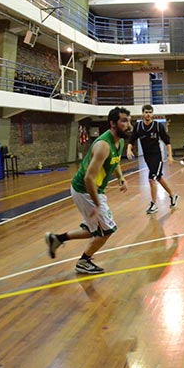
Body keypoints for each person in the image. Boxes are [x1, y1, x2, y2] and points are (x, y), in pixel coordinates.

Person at [45, 106, 132, 274]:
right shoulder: (103, 145)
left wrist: (121, 177)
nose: (129, 125)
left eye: (129, 121)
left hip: (93, 190)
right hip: (85, 190)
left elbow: (115, 162)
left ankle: (56, 239)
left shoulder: (119, 141)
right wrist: (97, 204)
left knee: (94, 230)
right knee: (107, 230)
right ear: (113, 123)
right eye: (124, 121)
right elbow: (89, 178)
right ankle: (83, 261)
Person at [126, 104, 179, 214]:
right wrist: (128, 149)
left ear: (152, 114)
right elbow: (131, 140)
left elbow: (167, 142)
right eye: (146, 112)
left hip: (157, 156)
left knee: (151, 179)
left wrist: (170, 156)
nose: (148, 114)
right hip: (147, 157)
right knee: (158, 177)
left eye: (150, 112)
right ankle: (173, 196)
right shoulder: (138, 126)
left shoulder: (158, 126)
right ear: (142, 113)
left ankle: (154, 204)